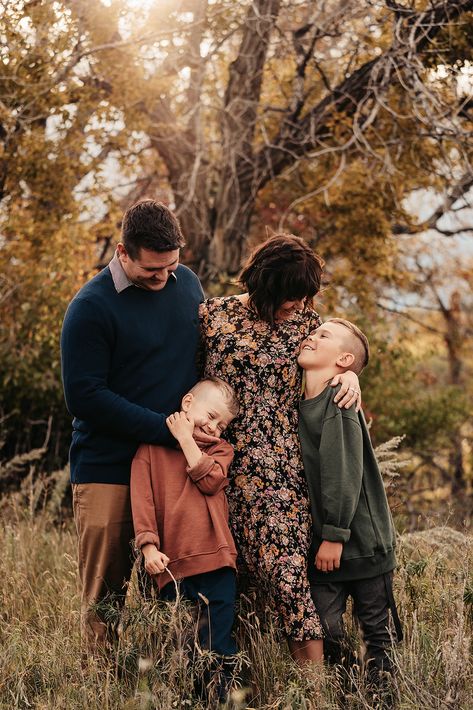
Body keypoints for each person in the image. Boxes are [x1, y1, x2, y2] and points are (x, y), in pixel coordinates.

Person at [199, 234, 361, 665]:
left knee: (288, 579)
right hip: (214, 467)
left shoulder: (309, 325)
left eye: (306, 297)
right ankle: (234, 682)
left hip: (282, 477)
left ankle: (312, 693)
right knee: (225, 582)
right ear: (266, 285)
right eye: (292, 296)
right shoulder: (213, 317)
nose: (300, 305)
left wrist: (353, 378)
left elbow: (342, 356)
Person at [60, 200, 207, 652]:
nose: (163, 279)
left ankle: (166, 679)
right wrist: (168, 429)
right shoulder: (90, 307)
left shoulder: (188, 285)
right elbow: (85, 396)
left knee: (173, 588)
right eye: (152, 270)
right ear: (123, 252)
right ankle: (100, 686)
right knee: (105, 598)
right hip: (109, 467)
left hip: (173, 467)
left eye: (171, 266)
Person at [297, 318, 402, 684]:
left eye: (322, 335)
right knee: (325, 627)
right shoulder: (300, 401)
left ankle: (380, 698)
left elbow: (343, 473)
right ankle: (346, 693)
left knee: (377, 635)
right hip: (328, 544)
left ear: (343, 360)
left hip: (360, 542)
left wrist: (334, 534)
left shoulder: (338, 402)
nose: (312, 335)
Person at [130, 377, 240, 701]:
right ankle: (185, 700)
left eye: (222, 425)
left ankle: (220, 701)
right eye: (212, 415)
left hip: (216, 563)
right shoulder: (150, 449)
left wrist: (186, 438)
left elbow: (209, 480)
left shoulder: (220, 450)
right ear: (188, 404)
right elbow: (142, 501)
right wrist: (149, 548)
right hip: (171, 569)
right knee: (180, 648)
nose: (214, 427)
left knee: (217, 646)